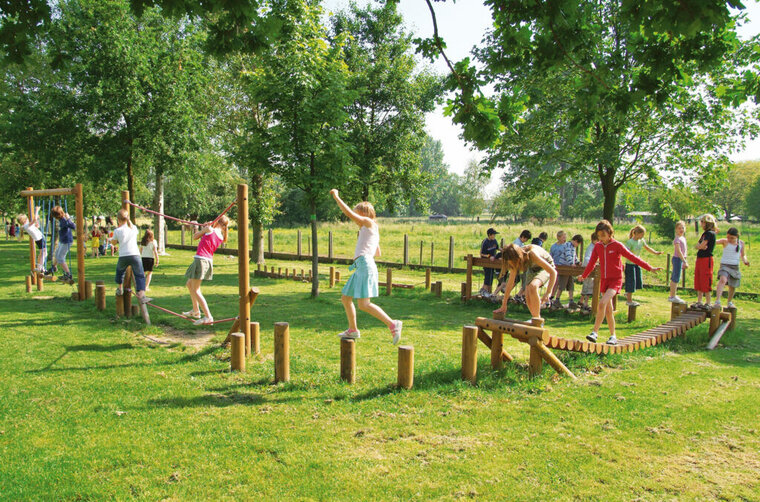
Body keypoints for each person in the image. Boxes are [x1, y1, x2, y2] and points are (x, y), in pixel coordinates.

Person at [330, 189, 402, 344]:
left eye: (358, 214)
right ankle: (353, 330)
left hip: (364, 264)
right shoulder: (371, 229)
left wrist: (337, 196)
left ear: (364, 213)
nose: (355, 219)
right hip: (363, 265)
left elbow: (348, 213)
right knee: (345, 298)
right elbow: (378, 252)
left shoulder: (369, 223)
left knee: (364, 304)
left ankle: (392, 324)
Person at [579, 220, 662, 345]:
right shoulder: (598, 246)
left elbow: (633, 257)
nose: (601, 238)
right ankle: (613, 336)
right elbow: (591, 263)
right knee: (608, 309)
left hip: (615, 280)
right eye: (599, 236)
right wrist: (584, 276)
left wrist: (650, 268)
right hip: (604, 280)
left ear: (610, 233)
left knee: (602, 303)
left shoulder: (617, 245)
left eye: (603, 235)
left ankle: (594, 332)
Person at [182, 215, 230, 325]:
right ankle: (196, 311)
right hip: (206, 260)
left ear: (217, 222)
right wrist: (205, 227)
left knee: (196, 289)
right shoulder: (221, 236)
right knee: (189, 284)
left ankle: (208, 316)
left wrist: (202, 228)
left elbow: (195, 237)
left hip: (201, 260)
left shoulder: (210, 229)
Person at [493, 243, 557, 320]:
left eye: (513, 263)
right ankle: (535, 318)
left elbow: (553, 272)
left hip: (546, 267)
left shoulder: (532, 254)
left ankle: (537, 320)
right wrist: (504, 305)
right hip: (532, 268)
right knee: (527, 294)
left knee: (533, 286)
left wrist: (548, 293)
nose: (513, 265)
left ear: (518, 258)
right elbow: (510, 282)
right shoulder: (514, 260)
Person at [110, 209, 151, 305]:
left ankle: (120, 288)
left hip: (123, 255)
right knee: (140, 275)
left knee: (120, 272)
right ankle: (142, 294)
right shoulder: (134, 229)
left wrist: (111, 239)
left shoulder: (117, 230)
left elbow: (114, 242)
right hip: (135, 255)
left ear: (118, 220)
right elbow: (131, 226)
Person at [623, 225, 662, 307]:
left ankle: (628, 294)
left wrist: (655, 252)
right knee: (631, 282)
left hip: (637, 264)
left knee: (637, 281)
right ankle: (629, 300)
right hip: (630, 264)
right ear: (637, 233)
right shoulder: (630, 242)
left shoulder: (641, 241)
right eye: (642, 234)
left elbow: (647, 248)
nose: (643, 236)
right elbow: (626, 253)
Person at [713, 227, 750, 308]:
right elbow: (713, 242)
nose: (729, 239)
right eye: (728, 237)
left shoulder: (741, 243)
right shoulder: (724, 241)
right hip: (724, 265)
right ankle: (717, 301)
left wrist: (745, 261)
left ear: (737, 236)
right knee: (723, 280)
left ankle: (729, 302)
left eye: (732, 238)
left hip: (734, 266)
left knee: (732, 285)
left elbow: (743, 255)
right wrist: (714, 233)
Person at [693, 214, 718, 309]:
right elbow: (698, 245)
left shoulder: (710, 234)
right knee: (698, 279)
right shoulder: (704, 234)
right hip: (700, 258)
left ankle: (708, 302)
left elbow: (702, 245)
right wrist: (700, 246)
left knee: (705, 279)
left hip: (706, 259)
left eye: (702, 222)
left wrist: (700, 246)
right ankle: (699, 301)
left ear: (707, 223)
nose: (701, 224)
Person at [50, 205, 75, 282]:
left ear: (57, 215)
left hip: (67, 241)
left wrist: (68, 218)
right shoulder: (61, 219)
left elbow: (73, 226)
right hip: (62, 241)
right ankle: (54, 267)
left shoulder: (64, 220)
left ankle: (68, 274)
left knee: (60, 258)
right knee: (57, 254)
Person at [17, 207, 46, 272]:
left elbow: (36, 226)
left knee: (42, 253)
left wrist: (37, 220)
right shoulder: (26, 225)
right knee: (44, 253)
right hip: (40, 238)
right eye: (27, 218)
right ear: (24, 220)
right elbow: (34, 219)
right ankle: (40, 267)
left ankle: (39, 266)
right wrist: (36, 211)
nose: (28, 219)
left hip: (38, 239)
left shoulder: (26, 226)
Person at [668, 221, 688, 304]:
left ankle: (674, 294)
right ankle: (672, 296)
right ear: (676, 229)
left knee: (677, 277)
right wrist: (684, 261)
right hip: (677, 259)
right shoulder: (677, 239)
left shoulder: (683, 238)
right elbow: (678, 251)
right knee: (675, 277)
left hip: (681, 259)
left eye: (682, 228)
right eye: (679, 228)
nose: (681, 229)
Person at [579, 232, 598, 314]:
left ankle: (583, 301)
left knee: (590, 286)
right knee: (587, 285)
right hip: (588, 268)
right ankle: (583, 302)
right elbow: (588, 259)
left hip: (592, 268)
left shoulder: (595, 247)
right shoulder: (591, 247)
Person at [478, 228, 501, 297]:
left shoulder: (494, 241)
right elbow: (481, 253)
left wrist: (504, 250)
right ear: (489, 235)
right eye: (493, 234)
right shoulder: (485, 242)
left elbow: (497, 248)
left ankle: (488, 292)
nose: (494, 236)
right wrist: (489, 256)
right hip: (486, 261)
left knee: (491, 276)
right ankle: (483, 290)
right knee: (487, 275)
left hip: (493, 262)